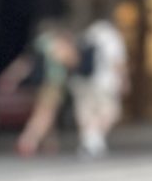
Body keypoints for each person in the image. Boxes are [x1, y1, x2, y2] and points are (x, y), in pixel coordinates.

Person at [71, 14, 129, 158]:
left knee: (87, 113)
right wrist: (124, 80)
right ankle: (94, 140)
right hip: (105, 82)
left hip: (82, 81)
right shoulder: (112, 37)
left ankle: (90, 142)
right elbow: (117, 62)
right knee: (110, 112)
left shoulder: (87, 35)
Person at [14, 22, 75, 157]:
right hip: (53, 83)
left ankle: (50, 143)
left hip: (38, 84)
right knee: (45, 114)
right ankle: (28, 140)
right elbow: (70, 60)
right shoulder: (57, 44)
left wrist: (11, 77)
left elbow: (25, 62)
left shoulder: (39, 44)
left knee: (47, 113)